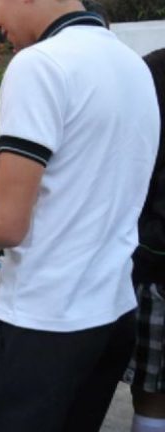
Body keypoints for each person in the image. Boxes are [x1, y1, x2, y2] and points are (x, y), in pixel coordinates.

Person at [0, 0, 159, 430]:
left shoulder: (39, 64)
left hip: (41, 321)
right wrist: (12, 174)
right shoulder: (130, 64)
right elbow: (97, 180)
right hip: (111, 312)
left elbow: (5, 224)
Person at [126, 47, 165, 432]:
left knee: (152, 388)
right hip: (153, 255)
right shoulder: (152, 68)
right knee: (152, 388)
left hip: (154, 257)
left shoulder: (152, 68)